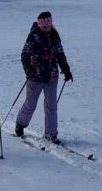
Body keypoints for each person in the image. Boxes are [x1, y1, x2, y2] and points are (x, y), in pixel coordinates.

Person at [15, 10, 72, 144]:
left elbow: (60, 53)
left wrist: (66, 69)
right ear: (39, 25)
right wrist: (28, 70)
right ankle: (20, 124)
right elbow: (24, 54)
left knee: (51, 105)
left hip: (52, 76)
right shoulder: (33, 36)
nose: (47, 27)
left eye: (48, 25)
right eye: (44, 25)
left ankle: (51, 134)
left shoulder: (55, 36)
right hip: (35, 76)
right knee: (31, 103)